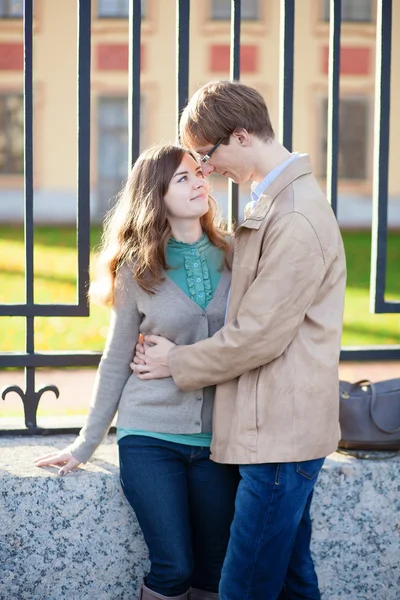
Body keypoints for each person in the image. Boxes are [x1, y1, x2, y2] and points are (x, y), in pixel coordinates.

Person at [130, 81, 347, 600]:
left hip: (279, 432)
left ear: (242, 136)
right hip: (273, 425)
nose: (206, 171)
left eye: (206, 156)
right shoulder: (273, 201)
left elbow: (257, 336)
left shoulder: (292, 215)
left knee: (243, 586)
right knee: (294, 581)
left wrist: (178, 362)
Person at [35, 143, 240, 600]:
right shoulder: (138, 268)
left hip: (219, 441)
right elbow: (115, 360)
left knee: (214, 570)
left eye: (198, 174)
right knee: (174, 568)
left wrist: (183, 357)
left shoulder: (235, 254)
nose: (199, 183)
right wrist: (86, 443)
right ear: (157, 195)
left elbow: (248, 341)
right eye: (182, 178)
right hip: (150, 436)